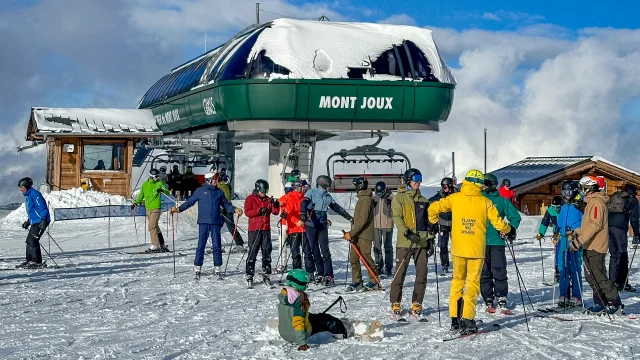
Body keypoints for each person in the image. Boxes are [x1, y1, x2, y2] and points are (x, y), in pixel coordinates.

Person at [428, 169, 515, 334]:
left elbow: (433, 209)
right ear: (477, 183)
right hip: (476, 250)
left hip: (459, 249)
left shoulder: (455, 198)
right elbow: (498, 223)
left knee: (457, 282)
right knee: (473, 284)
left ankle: (455, 319)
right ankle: (468, 319)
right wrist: (509, 230)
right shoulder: (485, 202)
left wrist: (433, 223)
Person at [170, 171, 242, 278]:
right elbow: (190, 202)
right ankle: (198, 265)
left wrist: (235, 209)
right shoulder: (200, 191)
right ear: (209, 180)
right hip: (204, 222)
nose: (216, 181)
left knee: (217, 245)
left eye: (217, 179)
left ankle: (217, 266)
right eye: (215, 179)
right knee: (201, 245)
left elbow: (226, 205)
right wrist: (178, 209)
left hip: (216, 222)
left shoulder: (219, 192)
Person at [570, 176, 624, 315]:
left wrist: (579, 240)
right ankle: (600, 302)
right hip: (589, 244)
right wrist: (575, 232)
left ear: (589, 188)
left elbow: (595, 225)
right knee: (591, 277)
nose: (581, 190)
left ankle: (615, 303)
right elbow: (588, 225)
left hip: (596, 245)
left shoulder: (597, 203)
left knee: (599, 276)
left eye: (583, 187)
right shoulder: (590, 202)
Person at [390, 168, 434, 317]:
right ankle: (395, 301)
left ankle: (417, 302)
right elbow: (397, 217)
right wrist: (407, 232)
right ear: (408, 180)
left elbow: (427, 223)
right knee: (400, 273)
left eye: (420, 179)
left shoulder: (424, 200)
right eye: (416, 179)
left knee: (422, 273)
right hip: (405, 242)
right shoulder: (399, 198)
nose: (419, 182)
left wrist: (430, 239)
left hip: (421, 242)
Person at [299, 175, 353, 286]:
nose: (329, 187)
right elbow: (304, 203)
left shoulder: (327, 196)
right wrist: (303, 213)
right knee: (315, 251)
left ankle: (328, 276)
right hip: (311, 224)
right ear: (323, 185)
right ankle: (320, 273)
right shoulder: (312, 192)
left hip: (322, 225)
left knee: (325, 251)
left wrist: (349, 217)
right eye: (328, 185)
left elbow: (337, 208)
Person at [277, 269, 348, 351]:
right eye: (305, 283)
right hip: (297, 335)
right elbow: (298, 322)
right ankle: (342, 335)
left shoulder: (285, 295)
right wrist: (302, 343)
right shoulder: (299, 299)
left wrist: (305, 314)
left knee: (313, 316)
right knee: (329, 321)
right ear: (299, 284)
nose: (306, 285)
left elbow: (290, 313)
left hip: (284, 334)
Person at [480, 173, 522, 312]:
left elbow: (515, 217)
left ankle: (501, 296)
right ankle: (488, 297)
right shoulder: (478, 199)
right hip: (480, 242)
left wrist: (509, 230)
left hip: (497, 241)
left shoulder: (502, 201)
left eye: (485, 182)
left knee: (499, 270)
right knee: (484, 272)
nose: (482, 185)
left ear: (492, 184)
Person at [343, 177, 378, 291]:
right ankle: (357, 281)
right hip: (357, 234)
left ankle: (374, 281)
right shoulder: (362, 199)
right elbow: (360, 219)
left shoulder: (366, 200)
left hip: (364, 235)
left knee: (366, 257)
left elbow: (363, 220)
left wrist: (351, 233)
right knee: (353, 258)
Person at [244, 179, 280, 287]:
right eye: (263, 190)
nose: (264, 192)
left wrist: (275, 204)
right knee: (253, 251)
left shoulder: (268, 199)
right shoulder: (250, 198)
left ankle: (266, 273)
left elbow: (275, 212)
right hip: (254, 229)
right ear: (258, 189)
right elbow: (247, 212)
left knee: (266, 251)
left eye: (266, 190)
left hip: (265, 229)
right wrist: (259, 211)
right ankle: (250, 274)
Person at [556, 180, 584, 308]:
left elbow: (584, 222)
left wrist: (576, 233)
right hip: (562, 240)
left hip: (574, 239)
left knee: (575, 268)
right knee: (563, 269)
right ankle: (563, 295)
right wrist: (557, 231)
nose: (567, 195)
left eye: (569, 192)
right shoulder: (563, 205)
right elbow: (560, 220)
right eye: (564, 192)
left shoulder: (580, 204)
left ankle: (577, 296)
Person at [608, 184, 640, 291]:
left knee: (614, 255)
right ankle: (622, 282)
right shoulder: (633, 200)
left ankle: (612, 282)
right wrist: (637, 233)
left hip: (608, 226)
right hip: (620, 228)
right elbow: (635, 219)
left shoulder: (615, 196)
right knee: (622, 254)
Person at [132, 169, 171, 253]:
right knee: (155, 226)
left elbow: (167, 192)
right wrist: (136, 203)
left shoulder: (159, 183)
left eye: (158, 176)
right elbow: (141, 196)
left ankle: (155, 245)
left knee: (151, 226)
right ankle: (162, 244)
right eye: (156, 176)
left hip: (156, 208)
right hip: (148, 208)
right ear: (151, 176)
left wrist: (162, 190)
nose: (157, 178)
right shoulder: (145, 184)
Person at [18, 177, 51, 269]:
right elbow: (32, 210)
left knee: (33, 240)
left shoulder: (35, 194)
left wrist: (44, 219)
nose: (20, 189)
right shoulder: (28, 196)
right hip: (35, 221)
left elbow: (42, 207)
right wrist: (28, 222)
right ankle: (29, 260)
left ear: (26, 186)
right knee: (29, 241)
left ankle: (36, 261)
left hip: (41, 220)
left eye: (21, 187)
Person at [428, 177, 457, 275]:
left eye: (446, 186)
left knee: (457, 245)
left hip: (455, 222)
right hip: (443, 222)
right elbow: (431, 200)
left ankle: (458, 265)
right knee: (443, 245)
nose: (445, 189)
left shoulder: (457, 194)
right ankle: (445, 265)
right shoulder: (440, 195)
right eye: (443, 187)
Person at [536, 195, 563, 283]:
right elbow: (545, 222)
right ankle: (558, 272)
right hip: (557, 235)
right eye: (554, 207)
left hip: (566, 234)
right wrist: (541, 233)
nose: (556, 209)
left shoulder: (565, 209)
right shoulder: (550, 210)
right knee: (558, 253)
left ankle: (568, 272)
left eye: (558, 207)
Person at [218, 174, 245, 253]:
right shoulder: (224, 187)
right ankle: (239, 243)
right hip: (226, 209)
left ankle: (216, 245)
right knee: (230, 227)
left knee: (217, 228)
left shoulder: (220, 186)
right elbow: (226, 199)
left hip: (224, 209)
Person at [372, 181, 394, 277]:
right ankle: (379, 266)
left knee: (387, 247)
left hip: (387, 225)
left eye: (381, 193)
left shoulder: (391, 198)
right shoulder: (374, 198)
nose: (379, 195)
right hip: (376, 225)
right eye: (378, 193)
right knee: (377, 246)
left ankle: (388, 268)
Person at [283, 181, 306, 270]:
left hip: (304, 229)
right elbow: (288, 213)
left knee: (307, 251)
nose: (304, 188)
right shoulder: (291, 197)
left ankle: (310, 272)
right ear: (298, 188)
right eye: (302, 187)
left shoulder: (304, 197)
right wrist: (296, 221)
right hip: (294, 229)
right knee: (295, 252)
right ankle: (297, 270)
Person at [276, 182, 294, 273]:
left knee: (294, 245)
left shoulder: (294, 198)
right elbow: (278, 203)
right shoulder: (282, 198)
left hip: (293, 224)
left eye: (290, 190)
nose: (288, 192)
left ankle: (296, 264)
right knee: (282, 244)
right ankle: (282, 264)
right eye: (287, 190)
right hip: (284, 224)